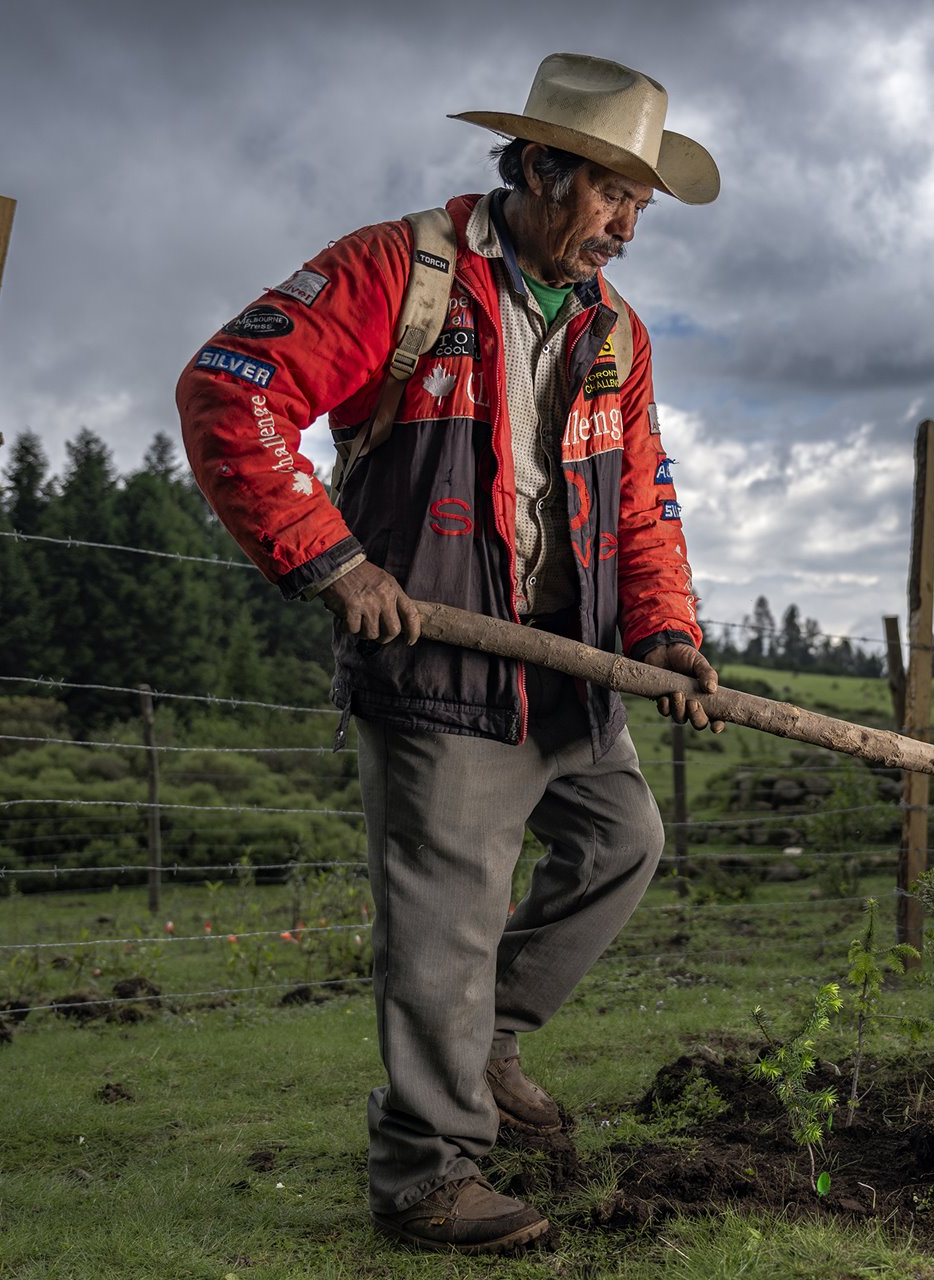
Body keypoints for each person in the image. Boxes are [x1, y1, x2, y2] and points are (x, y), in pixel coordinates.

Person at [176, 53, 721, 1254]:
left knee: (624, 843)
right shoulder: (397, 273)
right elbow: (231, 388)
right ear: (536, 166)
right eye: (611, 195)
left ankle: (490, 1038)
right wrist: (331, 559)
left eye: (642, 205)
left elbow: (643, 503)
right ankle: (424, 1173)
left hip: (569, 673)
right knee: (444, 927)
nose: (627, 226)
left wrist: (668, 630)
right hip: (440, 668)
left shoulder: (616, 335)